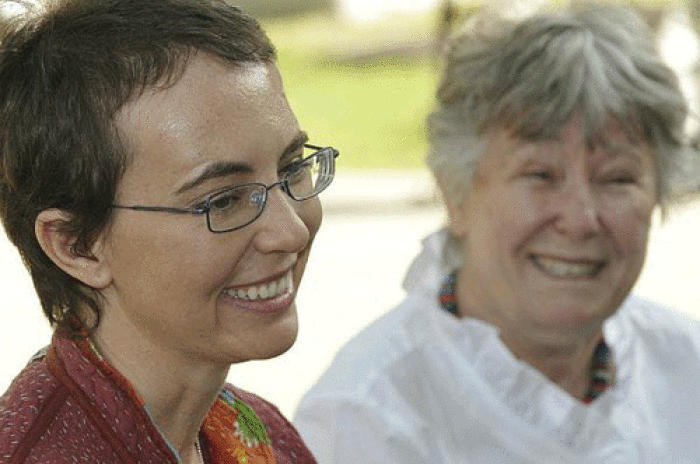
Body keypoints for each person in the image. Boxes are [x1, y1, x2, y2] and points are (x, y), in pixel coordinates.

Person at [294, 3, 700, 463]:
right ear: (455, 195)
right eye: (540, 175)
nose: (581, 218)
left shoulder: (688, 367)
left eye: (617, 178)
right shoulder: (365, 422)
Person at [0, 0, 338, 462]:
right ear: (77, 245)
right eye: (222, 200)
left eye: (292, 167)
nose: (291, 231)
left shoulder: (258, 434)